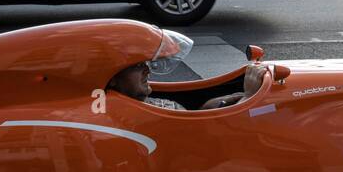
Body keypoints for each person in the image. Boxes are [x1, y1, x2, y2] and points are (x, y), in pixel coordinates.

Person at [106, 60, 269, 111]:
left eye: (145, 64)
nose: (147, 70)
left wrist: (233, 98)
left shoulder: (136, 102)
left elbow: (195, 116)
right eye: (137, 66)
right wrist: (247, 98)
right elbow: (208, 134)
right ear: (112, 77)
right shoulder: (128, 115)